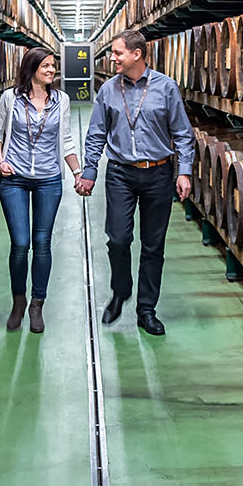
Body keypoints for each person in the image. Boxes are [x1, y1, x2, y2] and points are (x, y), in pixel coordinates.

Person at [76, 30, 194, 335]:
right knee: (117, 238)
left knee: (153, 245)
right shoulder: (108, 90)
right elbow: (96, 133)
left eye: (117, 53)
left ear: (136, 54)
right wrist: (90, 170)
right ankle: (121, 290)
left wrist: (184, 171)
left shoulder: (166, 87)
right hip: (120, 173)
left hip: (158, 173)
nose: (112, 58)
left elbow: (182, 133)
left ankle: (146, 310)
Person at [0, 47, 82, 333]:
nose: (52, 70)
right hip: (14, 178)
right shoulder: (10, 98)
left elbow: (66, 139)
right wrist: (1, 161)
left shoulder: (61, 100)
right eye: (46, 66)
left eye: (53, 66)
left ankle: (37, 305)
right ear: (31, 69)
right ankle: (18, 302)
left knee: (42, 242)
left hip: (48, 179)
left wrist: (78, 173)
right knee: (20, 243)